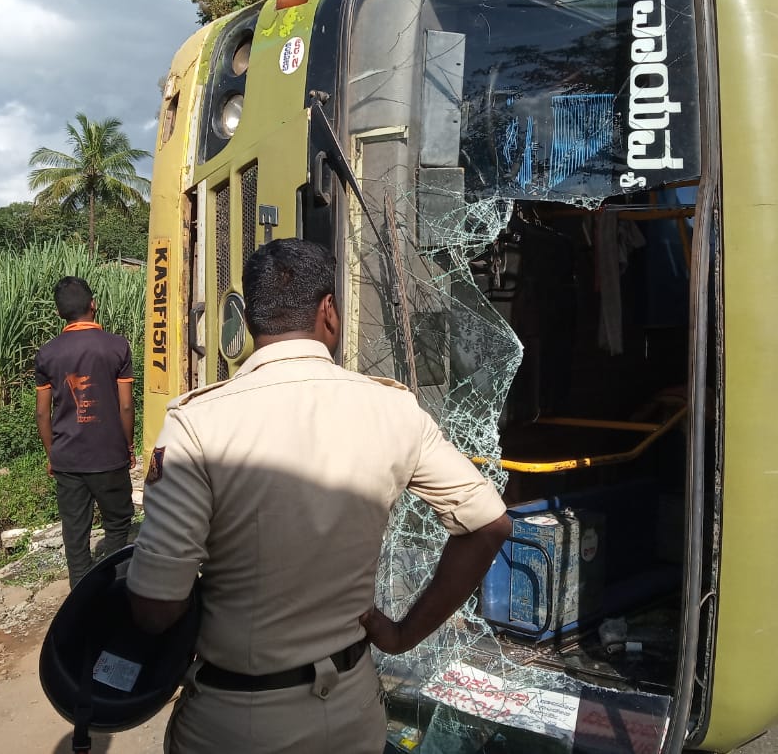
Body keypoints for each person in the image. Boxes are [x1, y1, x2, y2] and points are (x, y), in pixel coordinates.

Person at [127, 238, 512, 754]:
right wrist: (400, 635)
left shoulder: (197, 424)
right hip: (352, 713)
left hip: (236, 722)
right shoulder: (393, 411)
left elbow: (154, 608)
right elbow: (490, 525)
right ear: (327, 311)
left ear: (245, 319)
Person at [35, 276, 137, 589]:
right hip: (109, 454)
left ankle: (81, 593)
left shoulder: (47, 353)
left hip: (68, 458)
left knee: (75, 530)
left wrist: (53, 454)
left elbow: (42, 412)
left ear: (58, 313)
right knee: (118, 522)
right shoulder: (117, 346)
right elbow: (125, 407)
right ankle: (116, 583)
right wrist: (128, 447)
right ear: (93, 305)